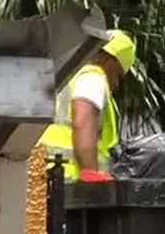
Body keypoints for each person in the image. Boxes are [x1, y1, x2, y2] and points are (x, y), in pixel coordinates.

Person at [39, 29, 137, 182]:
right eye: (118, 74)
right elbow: (83, 122)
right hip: (69, 182)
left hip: (43, 176)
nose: (116, 84)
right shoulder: (93, 77)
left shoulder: (65, 75)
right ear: (108, 60)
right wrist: (90, 174)